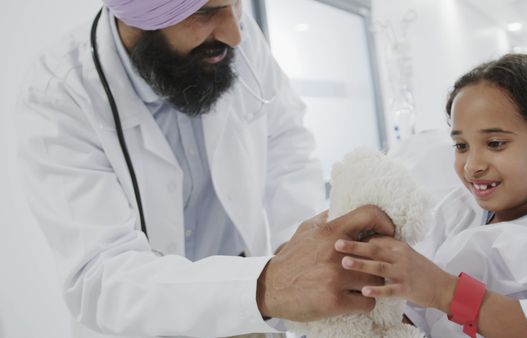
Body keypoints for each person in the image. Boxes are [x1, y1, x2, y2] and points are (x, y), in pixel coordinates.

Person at [16, 1, 392, 337]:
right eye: (205, 11)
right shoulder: (59, 93)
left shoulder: (232, 39)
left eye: (236, 4)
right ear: (143, 13)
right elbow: (100, 276)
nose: (234, 33)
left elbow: (287, 148)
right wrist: (265, 287)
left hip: (253, 319)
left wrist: (295, 251)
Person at [335, 54, 527, 337]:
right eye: (461, 146)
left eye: (495, 143)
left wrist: (446, 292)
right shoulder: (455, 213)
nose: (472, 166)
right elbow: (416, 311)